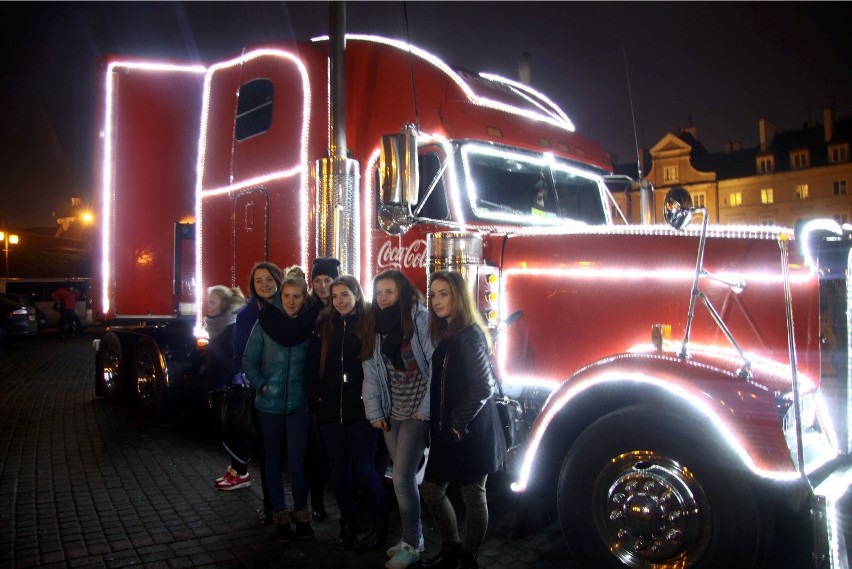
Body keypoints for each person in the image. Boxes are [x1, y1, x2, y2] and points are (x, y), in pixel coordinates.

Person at [420, 270, 507, 569]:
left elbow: (483, 386)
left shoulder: (468, 334)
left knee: (473, 496)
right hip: (452, 431)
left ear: (458, 296)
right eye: (433, 294)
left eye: (444, 293)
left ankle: (468, 559)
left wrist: (457, 422)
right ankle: (452, 548)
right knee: (431, 490)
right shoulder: (449, 331)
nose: (436, 300)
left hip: (469, 432)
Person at [305, 275, 387, 550]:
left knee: (364, 468)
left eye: (344, 295)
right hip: (329, 412)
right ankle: (347, 523)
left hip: (362, 410)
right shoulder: (325, 325)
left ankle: (379, 524)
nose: (339, 301)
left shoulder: (369, 325)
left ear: (356, 294)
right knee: (339, 472)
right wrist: (316, 400)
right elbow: (313, 366)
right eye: (335, 296)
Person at [362, 269, 434, 569]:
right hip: (393, 411)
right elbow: (371, 372)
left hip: (417, 411)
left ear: (402, 292)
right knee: (403, 479)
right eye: (379, 293)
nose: (383, 298)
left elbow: (436, 364)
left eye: (389, 292)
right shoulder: (375, 325)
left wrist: (426, 410)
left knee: (402, 478)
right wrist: (375, 412)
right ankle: (413, 536)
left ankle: (412, 542)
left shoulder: (420, 320)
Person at [243, 265, 320, 543]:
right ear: (281, 296)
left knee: (298, 464)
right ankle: (280, 517)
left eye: (296, 296)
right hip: (269, 406)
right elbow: (248, 360)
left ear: (303, 298)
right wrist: (263, 384)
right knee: (273, 462)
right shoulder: (265, 322)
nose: (290, 301)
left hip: (299, 406)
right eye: (286, 295)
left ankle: (302, 515)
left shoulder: (310, 326)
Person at [219, 263, 284, 515]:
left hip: (291, 392)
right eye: (259, 281)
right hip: (264, 392)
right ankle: (271, 505)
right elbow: (241, 354)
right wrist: (260, 384)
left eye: (269, 279)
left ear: (278, 280)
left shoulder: (289, 306)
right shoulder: (247, 315)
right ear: (252, 286)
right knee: (270, 451)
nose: (265, 284)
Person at [200, 285, 249, 490]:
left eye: (213, 302)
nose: (208, 306)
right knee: (226, 429)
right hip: (220, 384)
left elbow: (233, 358)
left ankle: (241, 473)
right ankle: (233, 469)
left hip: (231, 386)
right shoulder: (217, 325)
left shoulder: (231, 327)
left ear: (224, 304)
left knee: (235, 430)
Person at [305, 256, 341, 523]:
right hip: (314, 389)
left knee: (338, 454)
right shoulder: (308, 310)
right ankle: (316, 502)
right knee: (315, 453)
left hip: (339, 390)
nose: (321, 286)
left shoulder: (344, 309)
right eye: (316, 280)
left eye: (327, 280)